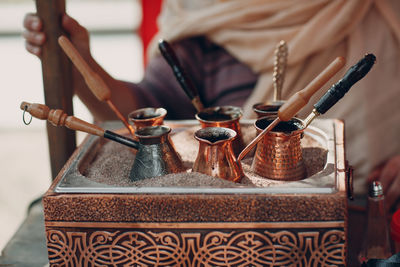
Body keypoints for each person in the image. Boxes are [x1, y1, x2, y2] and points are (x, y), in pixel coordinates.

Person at [23, 0, 400, 210]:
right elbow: (136, 116)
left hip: (384, 209)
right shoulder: (204, 12)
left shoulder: (369, 7)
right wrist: (80, 66)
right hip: (240, 219)